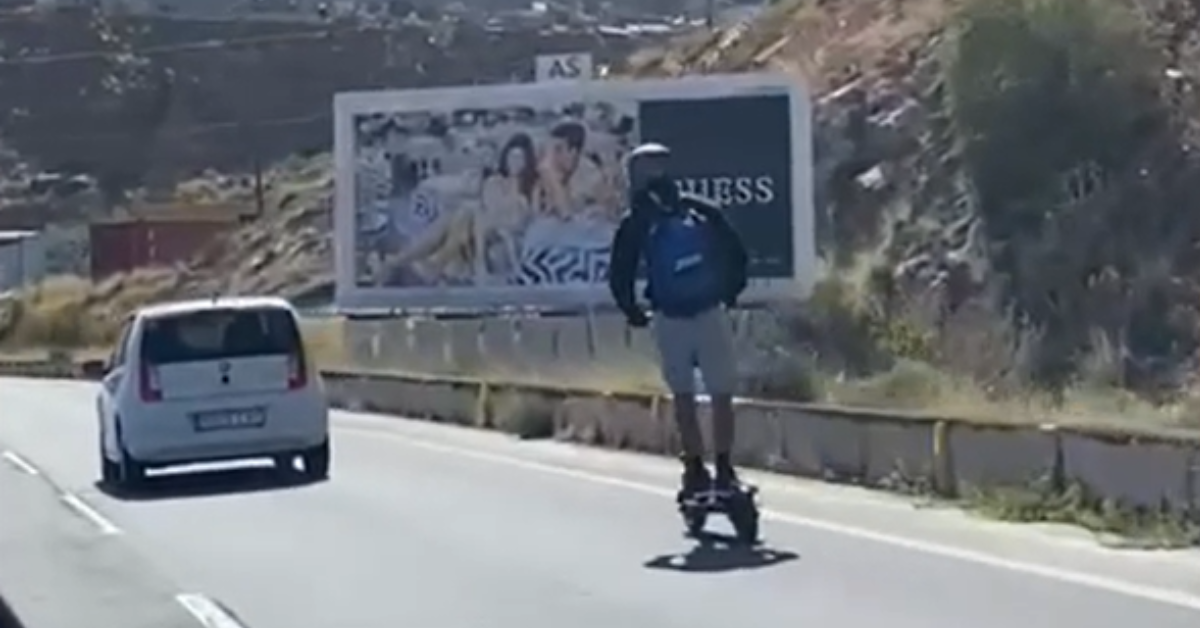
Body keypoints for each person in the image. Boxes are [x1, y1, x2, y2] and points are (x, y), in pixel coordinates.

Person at [607, 142, 749, 498]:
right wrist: (730, 293)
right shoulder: (697, 208)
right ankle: (725, 467)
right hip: (710, 310)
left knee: (683, 395)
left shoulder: (637, 220)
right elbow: (737, 251)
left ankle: (694, 468)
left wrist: (633, 311)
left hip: (669, 317)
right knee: (721, 393)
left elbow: (620, 273)